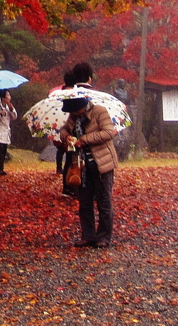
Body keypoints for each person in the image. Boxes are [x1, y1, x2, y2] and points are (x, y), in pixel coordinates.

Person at [60, 92, 118, 248]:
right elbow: (63, 130)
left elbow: (108, 132)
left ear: (82, 106)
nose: (73, 114)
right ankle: (88, 235)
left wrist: (84, 140)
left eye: (75, 110)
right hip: (81, 165)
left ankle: (104, 236)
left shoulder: (99, 111)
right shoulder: (73, 118)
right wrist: (67, 138)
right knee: (84, 202)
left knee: (103, 200)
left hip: (101, 163)